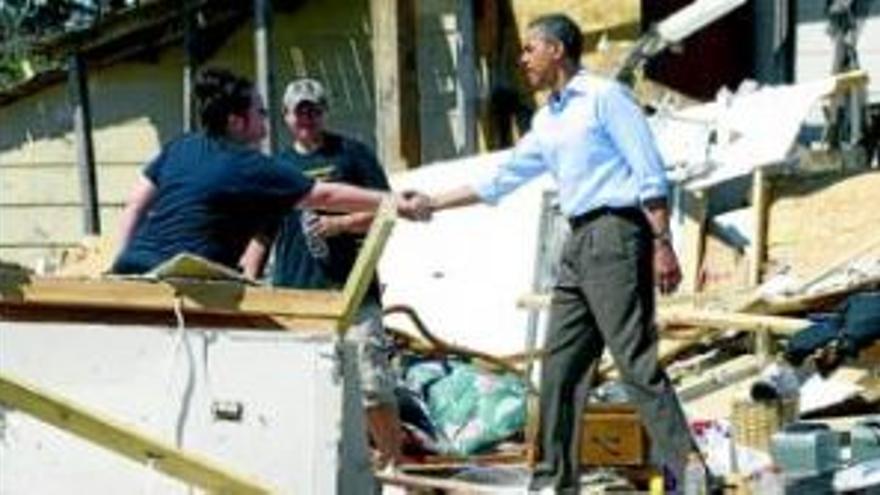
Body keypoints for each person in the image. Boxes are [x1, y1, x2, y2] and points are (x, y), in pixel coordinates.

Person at [423, 14, 698, 494]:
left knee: (634, 361)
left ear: (557, 50)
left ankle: (693, 471)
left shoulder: (604, 98)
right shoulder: (547, 119)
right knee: (560, 369)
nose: (523, 58)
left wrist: (662, 242)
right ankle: (553, 482)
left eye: (531, 49)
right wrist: (431, 204)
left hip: (617, 231)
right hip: (577, 241)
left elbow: (649, 171)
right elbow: (500, 180)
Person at [111, 68, 426, 275]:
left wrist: (118, 265)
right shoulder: (254, 167)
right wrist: (397, 201)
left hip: (132, 272)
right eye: (260, 112)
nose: (265, 119)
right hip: (183, 287)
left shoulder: (179, 146)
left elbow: (136, 205)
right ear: (236, 121)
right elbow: (326, 194)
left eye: (314, 110)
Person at [240, 78, 403, 469]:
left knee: (371, 386)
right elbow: (262, 233)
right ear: (286, 117)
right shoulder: (276, 167)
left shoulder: (353, 154)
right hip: (296, 297)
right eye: (299, 111)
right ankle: (316, 467)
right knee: (303, 389)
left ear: (324, 111)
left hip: (353, 291)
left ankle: (395, 466)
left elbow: (389, 210)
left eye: (313, 109)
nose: (306, 117)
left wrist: (342, 224)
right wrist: (247, 278)